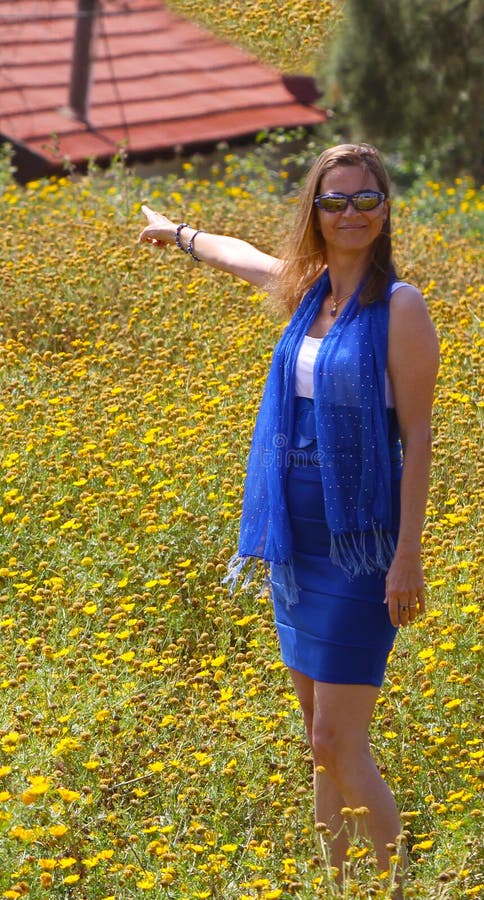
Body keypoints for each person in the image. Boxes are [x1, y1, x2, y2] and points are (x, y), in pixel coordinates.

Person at [138, 143, 439, 895]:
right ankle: (335, 885)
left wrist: (409, 555)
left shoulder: (399, 307)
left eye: (366, 200)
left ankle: (399, 887)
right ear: (316, 211)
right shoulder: (308, 290)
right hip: (295, 538)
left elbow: (421, 437)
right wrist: (178, 233)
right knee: (318, 742)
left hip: (361, 544)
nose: (351, 215)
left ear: (385, 210)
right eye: (335, 201)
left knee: (342, 737)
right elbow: (241, 258)